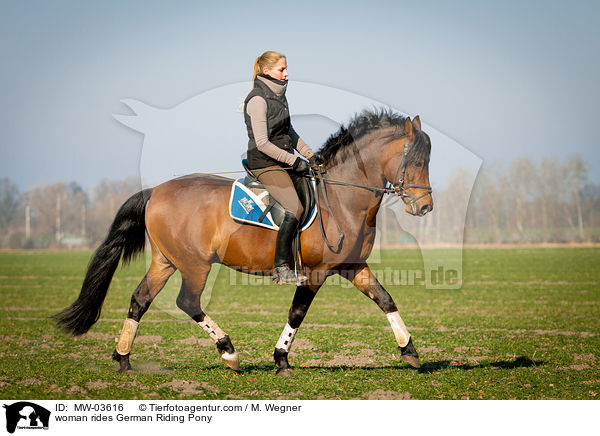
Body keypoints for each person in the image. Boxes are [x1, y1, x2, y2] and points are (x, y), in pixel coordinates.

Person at [243, 51, 323, 285]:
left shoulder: (280, 97)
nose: (287, 73)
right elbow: (262, 143)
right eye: (282, 69)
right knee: (294, 208)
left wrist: (310, 155)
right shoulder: (257, 99)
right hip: (264, 164)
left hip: (283, 162)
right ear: (266, 71)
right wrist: (294, 161)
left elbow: (290, 132)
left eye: (286, 69)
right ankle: (280, 268)